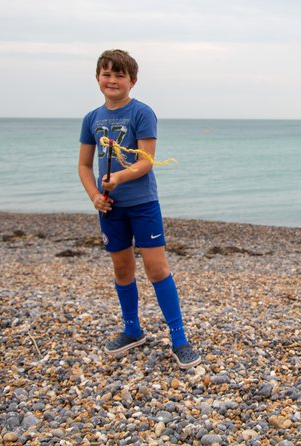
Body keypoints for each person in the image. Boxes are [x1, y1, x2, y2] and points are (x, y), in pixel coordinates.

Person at [78, 49, 201, 369]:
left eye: (120, 75)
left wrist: (118, 176)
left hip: (143, 204)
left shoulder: (142, 113)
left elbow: (146, 161)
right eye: (107, 74)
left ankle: (179, 338)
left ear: (132, 81)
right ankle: (132, 329)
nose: (113, 80)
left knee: (157, 269)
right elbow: (83, 165)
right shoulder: (91, 119)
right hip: (109, 208)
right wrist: (94, 195)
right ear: (97, 79)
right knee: (122, 270)